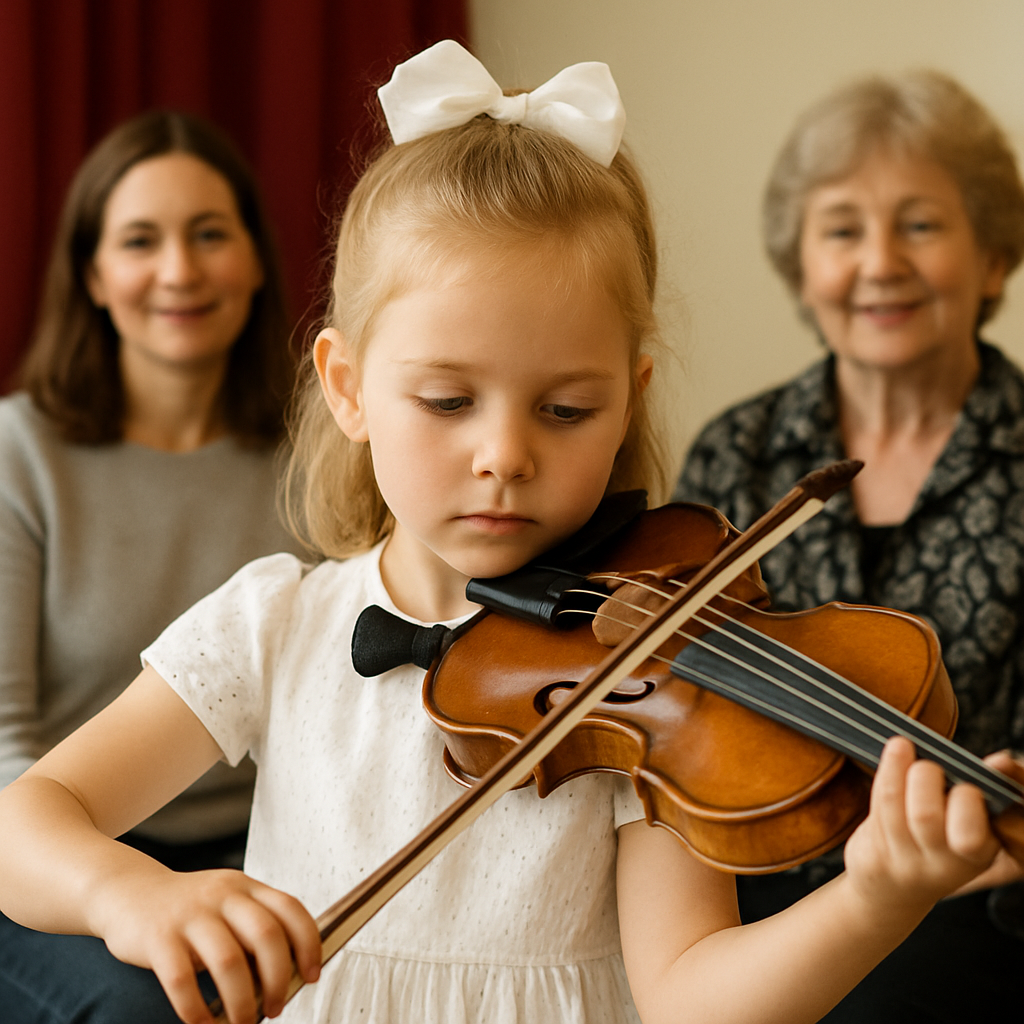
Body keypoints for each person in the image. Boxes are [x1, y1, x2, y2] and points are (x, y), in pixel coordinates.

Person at [0, 43, 1018, 1024]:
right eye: (447, 400)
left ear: (629, 400)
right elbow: (25, 823)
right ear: (348, 389)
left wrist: (876, 896)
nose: (504, 454)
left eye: (567, 410)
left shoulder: (641, 687)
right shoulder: (271, 624)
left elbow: (693, 1000)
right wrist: (130, 897)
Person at [675, 70, 1024, 1022]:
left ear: (993, 258)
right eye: (841, 230)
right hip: (760, 904)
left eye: (920, 224)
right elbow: (681, 710)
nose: (880, 262)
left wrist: (915, 872)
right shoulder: (736, 455)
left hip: (980, 911)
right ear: (801, 268)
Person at [0, 110, 302, 1022]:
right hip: (62, 856)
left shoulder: (319, 448)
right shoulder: (20, 451)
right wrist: (119, 885)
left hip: (273, 841)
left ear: (253, 260)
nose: (179, 270)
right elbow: (4, 741)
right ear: (93, 275)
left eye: (210, 234)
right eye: (140, 241)